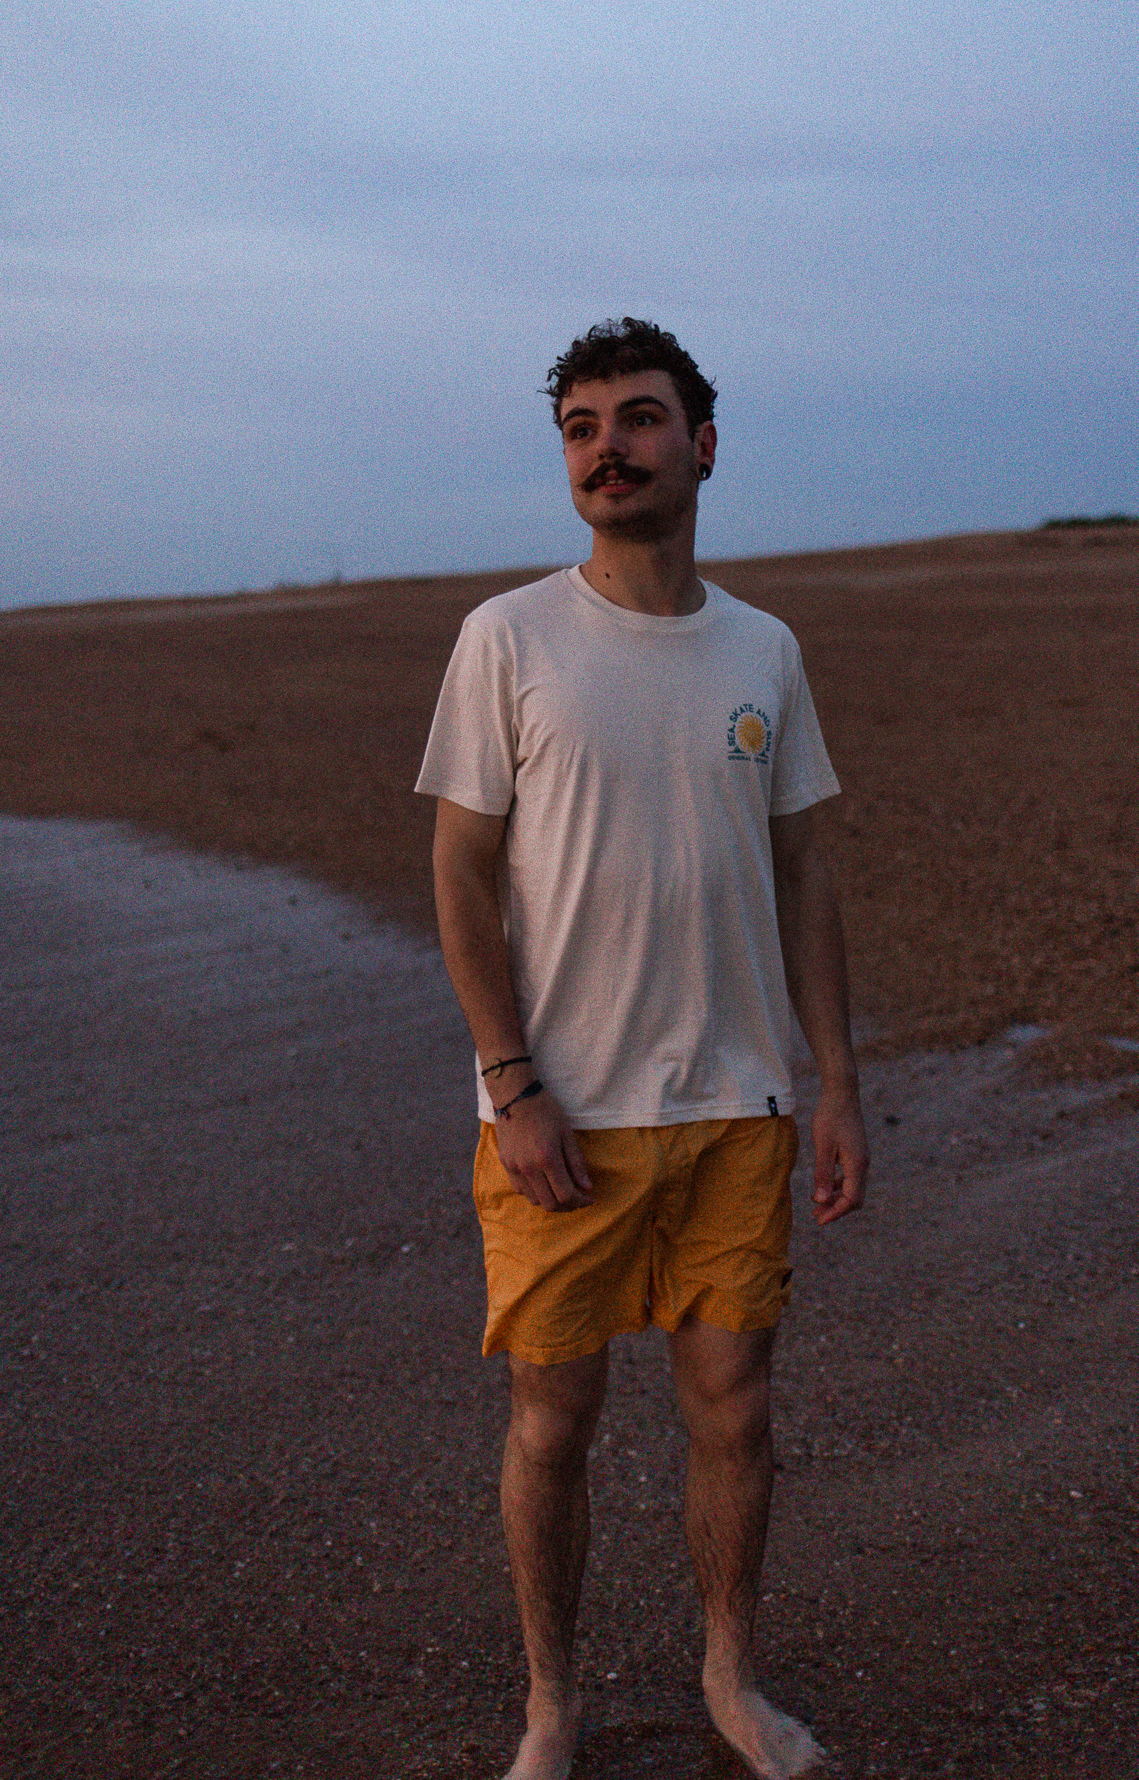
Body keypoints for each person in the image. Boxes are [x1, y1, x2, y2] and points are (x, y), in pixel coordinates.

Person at [416, 318, 868, 1780]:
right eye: (580, 427)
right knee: (553, 1419)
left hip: (738, 1102)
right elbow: (459, 870)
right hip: (565, 1113)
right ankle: (550, 1704)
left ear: (703, 445)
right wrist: (511, 1082)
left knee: (734, 1409)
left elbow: (805, 869)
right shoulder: (508, 638)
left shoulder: (764, 650)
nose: (606, 449)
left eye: (637, 418)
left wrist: (836, 1081)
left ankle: (730, 1676)